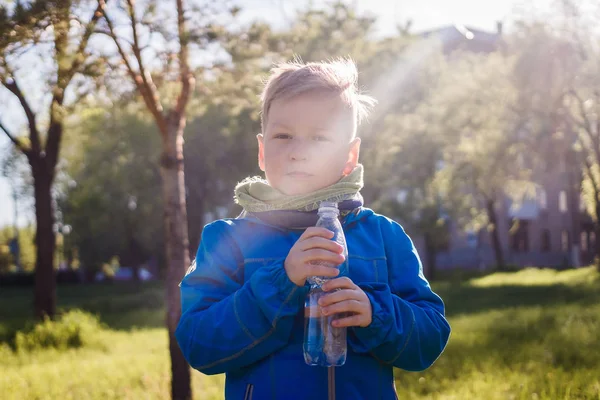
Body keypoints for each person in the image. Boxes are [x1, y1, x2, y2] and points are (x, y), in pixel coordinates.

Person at [175, 58, 451, 400]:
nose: (298, 152)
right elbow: (199, 344)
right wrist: (281, 281)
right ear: (262, 151)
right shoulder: (227, 240)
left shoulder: (385, 236)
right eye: (283, 135)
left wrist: (375, 311)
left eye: (319, 137)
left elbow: (430, 338)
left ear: (350, 156)